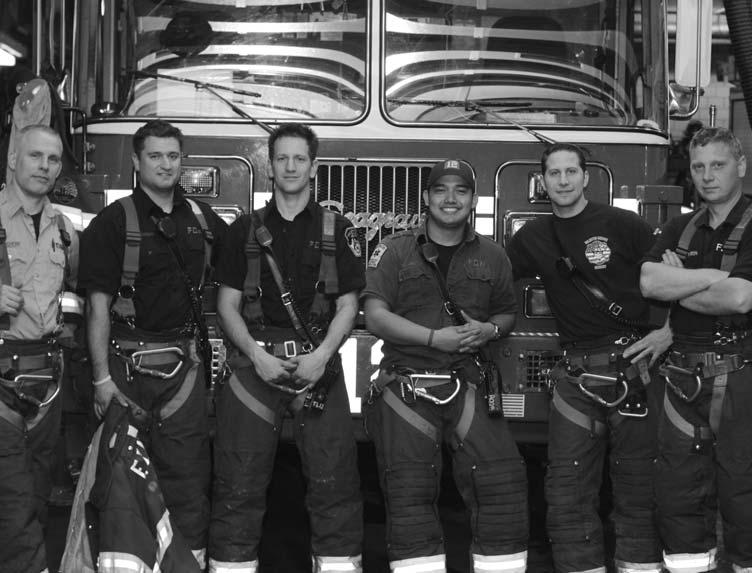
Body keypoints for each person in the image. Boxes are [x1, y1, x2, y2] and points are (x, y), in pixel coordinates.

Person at [505, 143, 670, 573]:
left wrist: (669, 331)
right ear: (543, 181)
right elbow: (493, 280)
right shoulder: (532, 237)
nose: (563, 181)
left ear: (586, 177)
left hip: (633, 370)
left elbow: (676, 277)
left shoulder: (624, 224)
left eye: (571, 172)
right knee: (567, 495)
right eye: (554, 173)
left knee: (638, 490)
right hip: (575, 377)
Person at [208, 123, 363, 573]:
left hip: (318, 368)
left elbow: (349, 306)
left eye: (299, 159)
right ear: (270, 166)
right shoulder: (243, 230)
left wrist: (321, 358)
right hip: (254, 368)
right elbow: (226, 306)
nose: (290, 166)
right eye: (282, 158)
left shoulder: (339, 230)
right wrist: (257, 357)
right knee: (237, 487)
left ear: (313, 167)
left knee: (336, 485)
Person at [362, 159, 529, 573]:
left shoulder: (493, 255)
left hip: (468, 382)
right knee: (409, 494)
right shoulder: (395, 250)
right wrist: (434, 339)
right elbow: (375, 316)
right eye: (440, 190)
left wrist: (489, 329)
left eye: (460, 190)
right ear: (426, 198)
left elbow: (507, 313)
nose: (450, 199)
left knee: (502, 485)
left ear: (473, 200)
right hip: (407, 385)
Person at [78, 119, 227, 568]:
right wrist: (101, 380)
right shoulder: (112, 222)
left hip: (184, 372)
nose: (166, 164)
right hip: (124, 375)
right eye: (156, 155)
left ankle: (189, 564)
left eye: (173, 156)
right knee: (121, 486)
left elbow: (243, 269)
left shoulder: (203, 221)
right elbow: (97, 307)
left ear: (182, 161)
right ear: (137, 161)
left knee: (188, 482)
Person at [640, 126, 752, 573]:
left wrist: (680, 282)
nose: (707, 176)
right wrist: (713, 279)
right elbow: (649, 282)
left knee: (742, 490)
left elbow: (740, 298)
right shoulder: (678, 227)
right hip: (682, 381)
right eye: (699, 166)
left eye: (718, 165)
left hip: (740, 377)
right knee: (677, 493)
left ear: (740, 166)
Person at [0, 124, 79, 573]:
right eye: (35, 156)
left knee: (36, 498)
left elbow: (75, 296)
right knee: (14, 506)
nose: (44, 166)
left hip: (47, 383)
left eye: (52, 159)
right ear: (14, 159)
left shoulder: (64, 229)